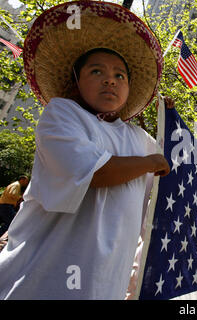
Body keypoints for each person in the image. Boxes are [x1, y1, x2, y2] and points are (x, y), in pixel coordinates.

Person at [0, 1, 171, 300]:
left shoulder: (140, 139)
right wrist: (150, 162)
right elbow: (95, 172)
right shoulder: (62, 114)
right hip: (43, 278)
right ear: (76, 81)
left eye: (120, 76)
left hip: (106, 284)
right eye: (96, 71)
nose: (110, 80)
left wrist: (170, 126)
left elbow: (168, 177)